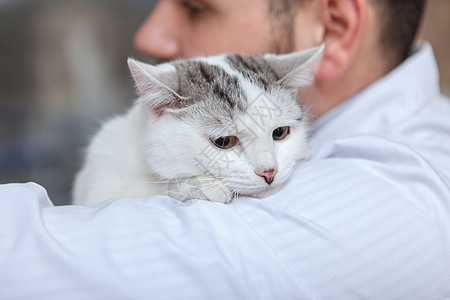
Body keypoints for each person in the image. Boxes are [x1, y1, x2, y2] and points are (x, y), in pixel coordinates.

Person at [0, 0, 449, 298]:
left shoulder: (374, 203)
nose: (150, 37)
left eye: (197, 8)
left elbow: (26, 261)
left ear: (333, 28)